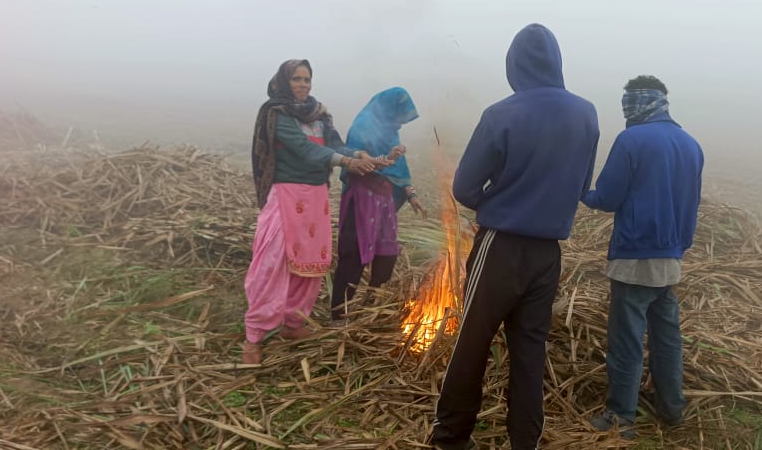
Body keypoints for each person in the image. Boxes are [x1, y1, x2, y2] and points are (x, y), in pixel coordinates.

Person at [431, 23, 600, 450]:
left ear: (514, 65)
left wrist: (497, 200)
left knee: (472, 343)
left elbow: (465, 188)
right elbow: (581, 185)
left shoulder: (502, 114)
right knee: (529, 354)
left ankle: (450, 439)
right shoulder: (586, 114)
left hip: (500, 248)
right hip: (547, 256)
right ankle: (525, 442)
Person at [581, 75, 704, 438]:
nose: (625, 110)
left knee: (627, 340)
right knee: (667, 337)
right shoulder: (690, 144)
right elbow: (692, 203)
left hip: (635, 256)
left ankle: (620, 417)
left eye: (628, 103)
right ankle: (672, 409)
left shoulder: (631, 139)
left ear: (639, 102)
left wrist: (579, 193)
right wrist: (680, 245)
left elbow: (607, 197)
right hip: (671, 258)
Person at [242, 59, 382, 364]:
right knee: (273, 261)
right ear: (283, 81)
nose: (303, 84)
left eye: (307, 79)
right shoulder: (276, 113)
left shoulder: (320, 115)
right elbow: (306, 150)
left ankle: (292, 324)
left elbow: (335, 145)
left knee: (311, 263)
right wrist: (346, 162)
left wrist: (358, 154)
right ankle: (254, 336)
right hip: (286, 196)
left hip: (316, 198)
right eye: (297, 79)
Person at [330, 87, 427, 325]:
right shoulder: (363, 127)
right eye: (398, 116)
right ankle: (339, 315)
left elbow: (399, 170)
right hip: (362, 200)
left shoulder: (391, 133)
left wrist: (412, 194)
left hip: (383, 203)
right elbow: (362, 164)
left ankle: (371, 304)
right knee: (353, 254)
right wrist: (388, 158)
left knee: (387, 255)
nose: (399, 123)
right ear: (387, 109)